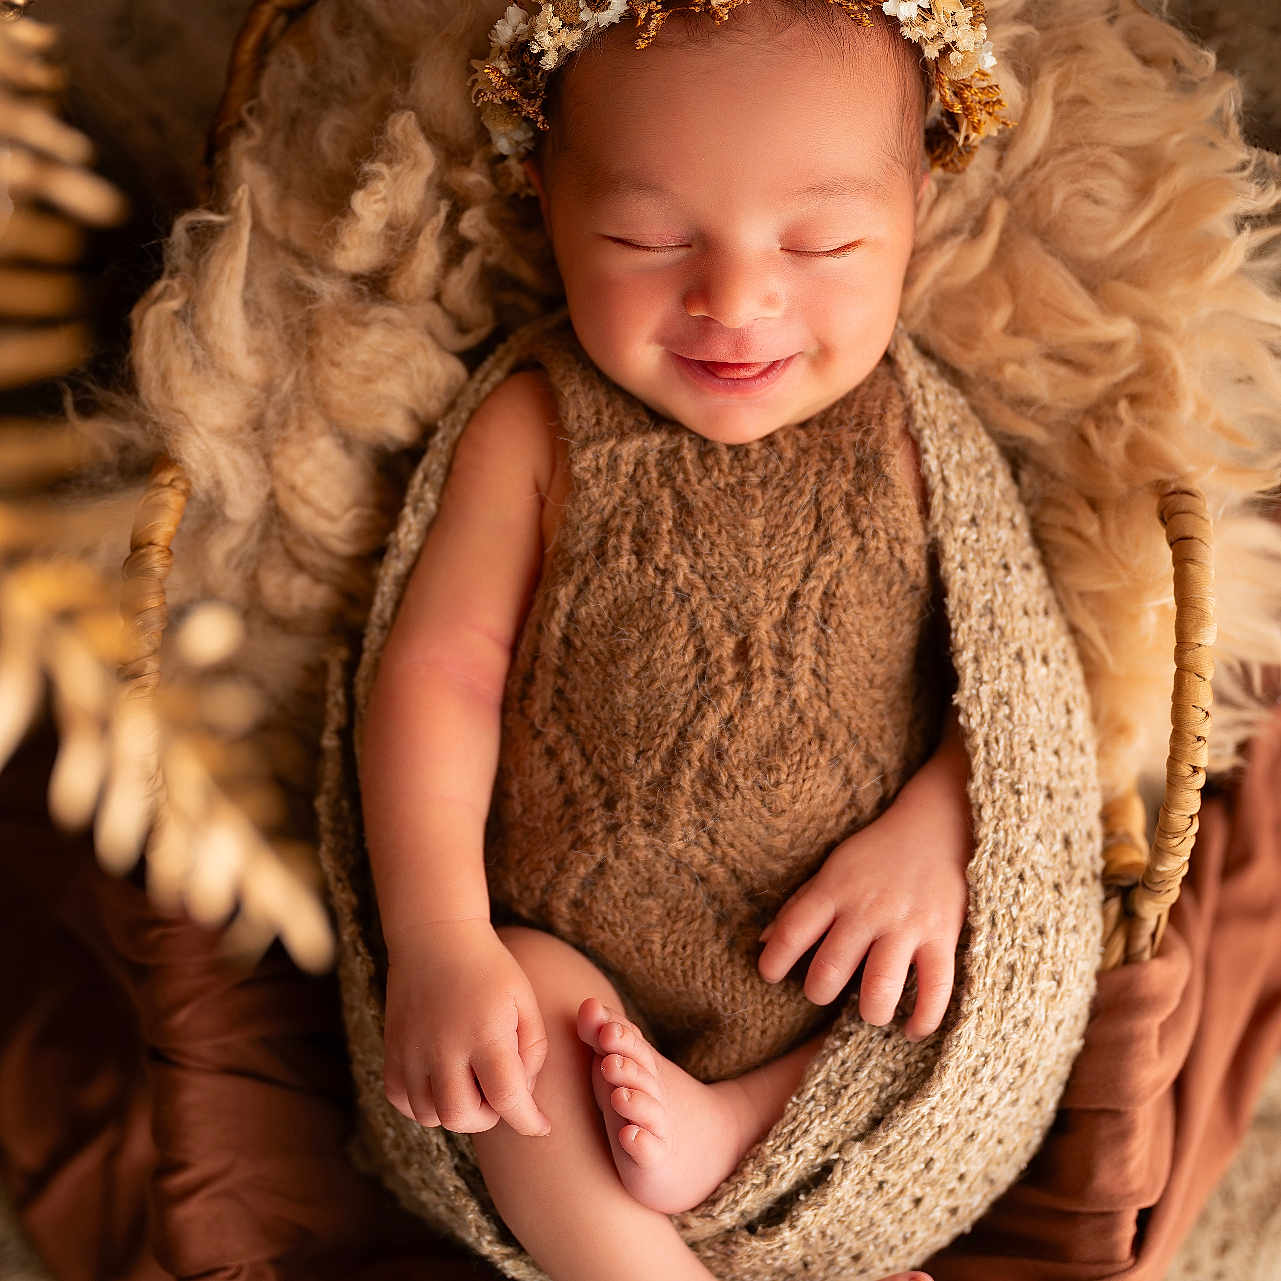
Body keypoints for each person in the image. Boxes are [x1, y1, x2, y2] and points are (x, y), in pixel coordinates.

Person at [358, 2, 999, 1277]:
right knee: (522, 1030)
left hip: (861, 988)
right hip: (585, 981)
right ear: (545, 199)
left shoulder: (925, 442)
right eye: (645, 237)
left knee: (967, 971)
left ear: (918, 203)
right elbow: (437, 672)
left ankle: (747, 1125)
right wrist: (438, 940)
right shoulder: (538, 428)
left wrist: (947, 827)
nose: (736, 299)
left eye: (824, 241)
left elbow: (1025, 696)